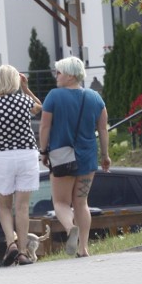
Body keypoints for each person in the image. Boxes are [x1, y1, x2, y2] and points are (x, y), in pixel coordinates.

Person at [38, 56, 110, 258]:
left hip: (62, 157)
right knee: (81, 203)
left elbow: (44, 126)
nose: (56, 75)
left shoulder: (53, 96)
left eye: (59, 72)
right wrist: (105, 155)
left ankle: (71, 230)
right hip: (87, 158)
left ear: (70, 75)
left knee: (61, 203)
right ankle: (83, 248)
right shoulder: (96, 98)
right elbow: (103, 129)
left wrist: (43, 151)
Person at [0, 65, 43, 266]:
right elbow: (39, 107)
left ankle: (10, 244)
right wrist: (26, 87)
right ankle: (23, 252)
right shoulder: (24, 101)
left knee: (4, 206)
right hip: (26, 154)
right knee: (22, 206)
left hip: (2, 156)